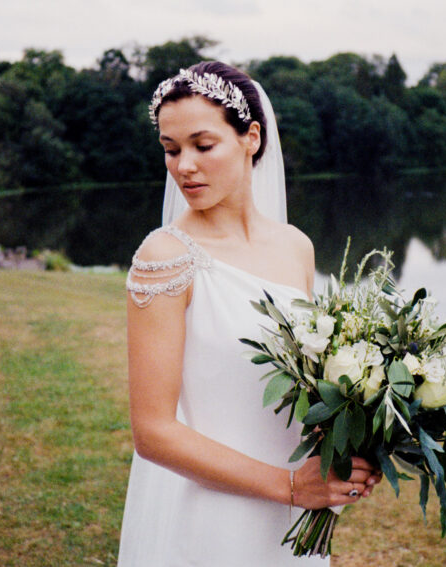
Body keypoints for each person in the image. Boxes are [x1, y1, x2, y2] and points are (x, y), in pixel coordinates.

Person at [118, 61, 380, 566]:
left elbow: (307, 383)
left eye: (202, 145)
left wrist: (348, 441)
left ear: (251, 138)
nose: (184, 166)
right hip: (211, 512)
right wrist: (288, 486)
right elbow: (153, 433)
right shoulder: (164, 258)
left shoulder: (295, 247)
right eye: (170, 150)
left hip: (290, 512)